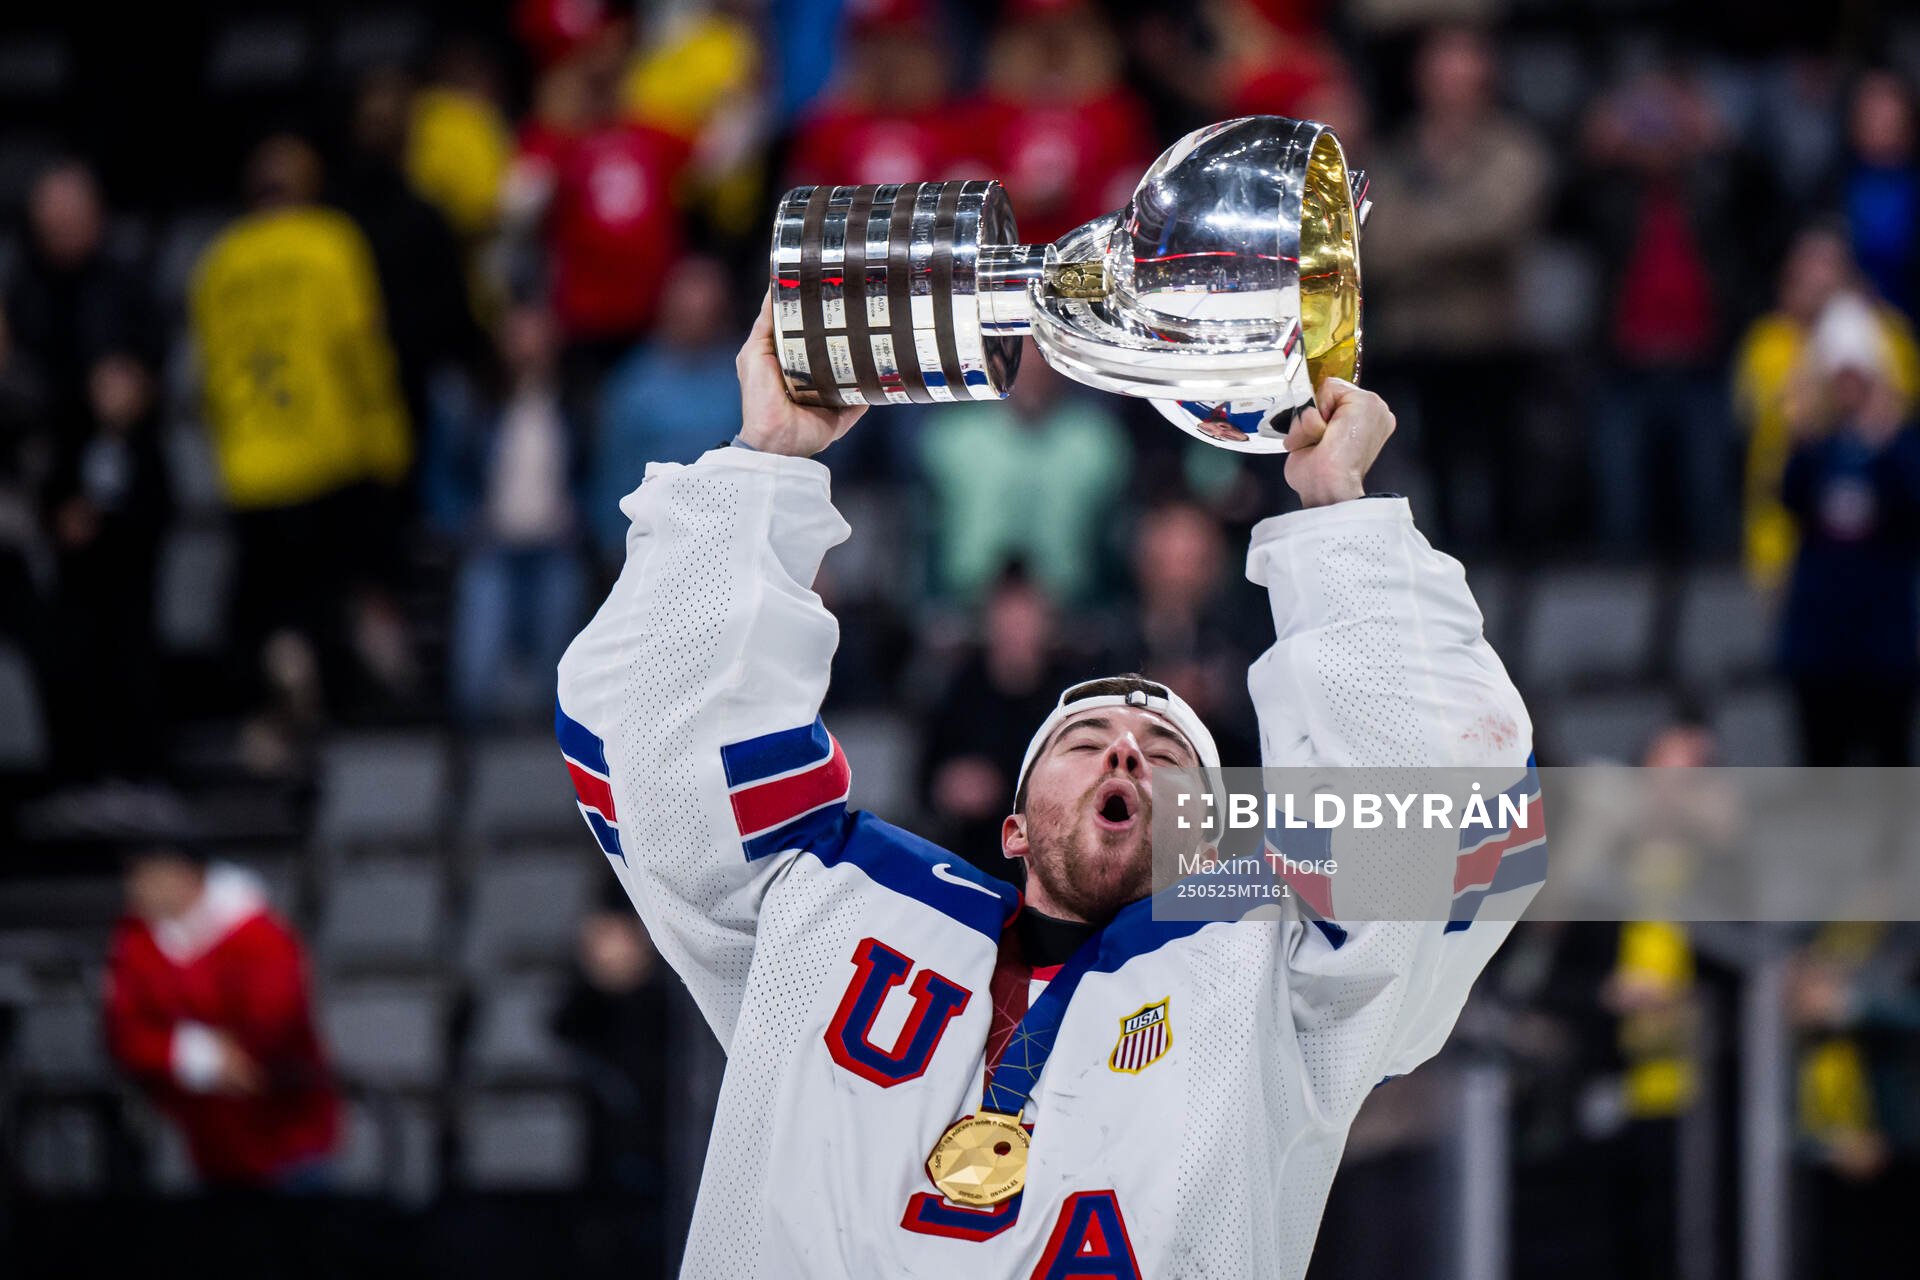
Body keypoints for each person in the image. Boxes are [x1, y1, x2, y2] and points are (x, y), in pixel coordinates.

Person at [553, 293, 1539, 1276]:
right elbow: (648, 739)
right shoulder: (827, 905)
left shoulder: (1274, 976)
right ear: (1015, 827)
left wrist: (1339, 517)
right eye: (1086, 739)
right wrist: (765, 461)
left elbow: (1468, 832)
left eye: (1162, 747)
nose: (1123, 750)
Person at [191, 135, 415, 736]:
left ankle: (280, 705)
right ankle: (337, 722)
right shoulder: (329, 242)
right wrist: (387, 442)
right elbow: (359, 348)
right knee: (331, 603)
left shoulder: (220, 262)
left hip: (249, 467)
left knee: (269, 607)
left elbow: (209, 374)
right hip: (326, 456)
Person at [102, 842, 340, 1189]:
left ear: (187, 876)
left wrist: (225, 1056)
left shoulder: (261, 936)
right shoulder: (134, 941)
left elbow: (274, 1025)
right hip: (207, 1144)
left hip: (289, 1139)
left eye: (147, 876)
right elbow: (123, 1033)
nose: (134, 888)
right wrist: (194, 1052)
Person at [1733, 226, 1920, 591]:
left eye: (1830, 266)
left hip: (1880, 542)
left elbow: (1898, 412)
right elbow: (1785, 418)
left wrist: (1857, 332)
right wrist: (1821, 342)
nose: (1821, 278)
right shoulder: (1768, 343)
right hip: (1785, 540)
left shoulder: (1888, 334)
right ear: (1790, 278)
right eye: (1809, 266)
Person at [1777, 293, 1920, 766]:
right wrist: (1802, 432)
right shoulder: (1816, 449)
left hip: (1885, 646)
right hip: (1820, 646)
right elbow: (1788, 499)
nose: (1849, 390)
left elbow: (1910, 505)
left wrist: (1887, 436)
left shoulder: (1900, 448)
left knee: (1890, 766)